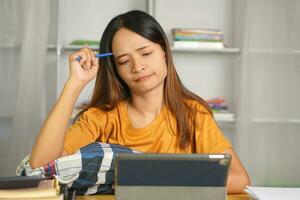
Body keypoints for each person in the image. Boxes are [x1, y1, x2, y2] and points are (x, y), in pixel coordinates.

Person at [30, 10, 250, 193]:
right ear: (115, 69)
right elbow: (41, 164)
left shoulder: (193, 114)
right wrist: (75, 83)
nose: (137, 67)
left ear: (164, 51)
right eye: (124, 61)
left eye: (146, 53)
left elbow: (239, 179)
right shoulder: (100, 117)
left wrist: (156, 183)